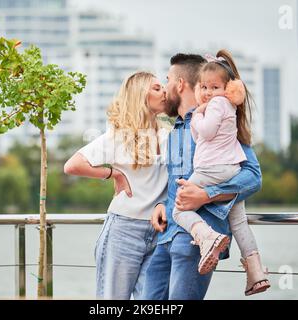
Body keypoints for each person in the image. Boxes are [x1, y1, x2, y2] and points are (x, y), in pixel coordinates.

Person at [142, 53, 263, 300]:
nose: (164, 89)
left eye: (167, 80)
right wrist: (161, 204)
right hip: (166, 239)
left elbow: (253, 177)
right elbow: (179, 186)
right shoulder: (175, 131)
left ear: (180, 84)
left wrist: (207, 195)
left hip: (196, 243)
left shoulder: (217, 123)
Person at [64, 71, 170, 299]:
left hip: (159, 232)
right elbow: (73, 165)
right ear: (140, 96)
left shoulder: (169, 134)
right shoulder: (120, 135)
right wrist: (113, 174)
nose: (165, 92)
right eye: (157, 88)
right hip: (124, 231)